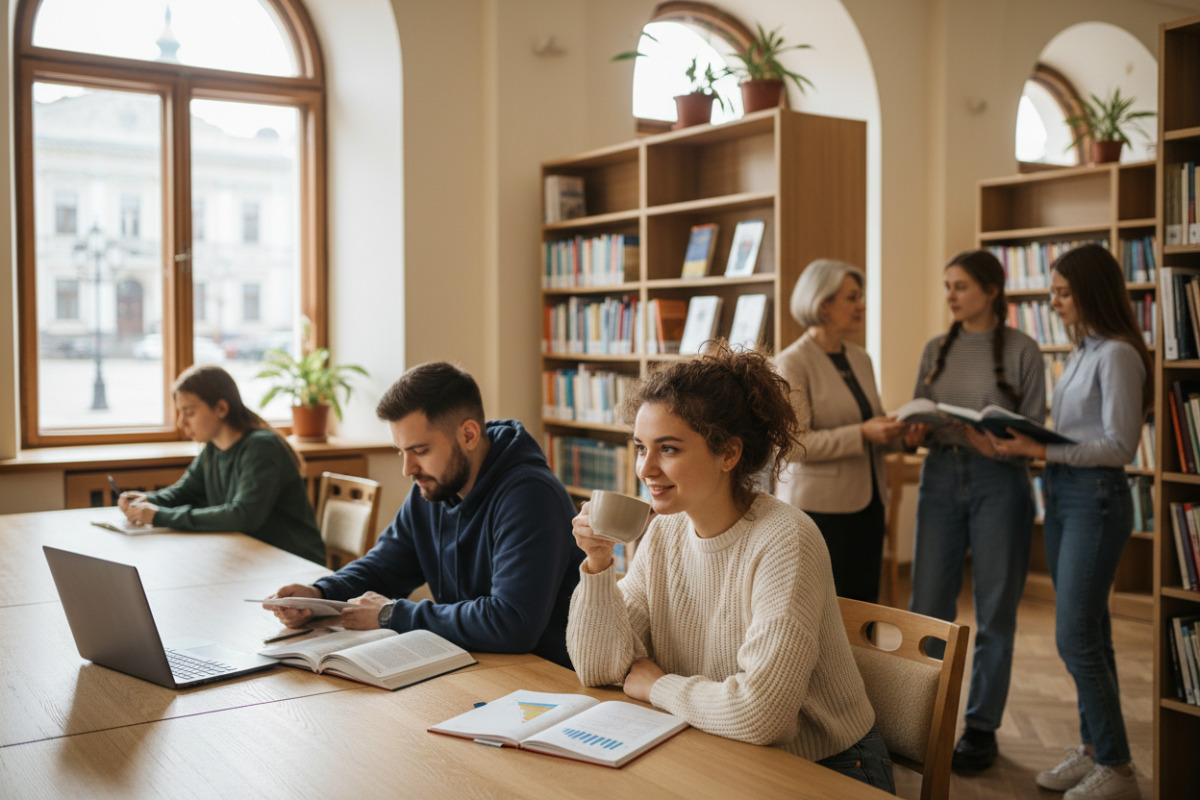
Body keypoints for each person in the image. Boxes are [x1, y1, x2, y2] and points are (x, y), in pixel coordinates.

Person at [567, 344, 893, 791]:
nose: (646, 467)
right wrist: (598, 564)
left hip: (827, 767)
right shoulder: (664, 532)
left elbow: (763, 716)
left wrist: (658, 686)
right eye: (641, 447)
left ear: (729, 454)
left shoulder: (785, 540)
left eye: (669, 448)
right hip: (715, 745)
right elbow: (599, 668)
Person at [266, 361, 582, 668]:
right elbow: (383, 568)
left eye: (420, 451)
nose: (407, 469)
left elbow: (512, 623)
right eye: (401, 452)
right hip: (474, 663)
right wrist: (320, 595)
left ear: (469, 435)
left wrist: (391, 615)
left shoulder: (530, 496)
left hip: (543, 679)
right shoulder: (434, 488)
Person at [988, 244, 1148, 800]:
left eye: (1061, 291)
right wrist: (1036, 446)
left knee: (1074, 636)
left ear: (1090, 290)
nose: (1052, 301)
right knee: (1091, 632)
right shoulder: (1084, 349)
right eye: (1052, 292)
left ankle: (1119, 767)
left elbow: (1119, 445)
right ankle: (1095, 748)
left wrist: (1041, 450)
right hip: (1063, 496)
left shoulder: (1119, 355)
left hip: (1095, 500)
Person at [907, 249, 1045, 774]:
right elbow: (919, 411)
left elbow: (1034, 432)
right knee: (928, 607)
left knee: (995, 612)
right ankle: (920, 718)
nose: (950, 296)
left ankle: (980, 729)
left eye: (960, 286)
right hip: (940, 474)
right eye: (947, 286)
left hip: (1000, 481)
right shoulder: (934, 349)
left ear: (991, 290)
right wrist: (917, 430)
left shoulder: (1023, 349)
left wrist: (998, 447)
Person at [775, 259, 906, 602]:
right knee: (824, 607)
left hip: (870, 501)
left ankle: (859, 661)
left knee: (863, 606)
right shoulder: (792, 363)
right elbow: (793, 446)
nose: (861, 305)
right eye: (852, 297)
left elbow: (871, 423)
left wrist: (901, 434)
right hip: (820, 510)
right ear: (823, 304)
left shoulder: (861, 358)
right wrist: (862, 434)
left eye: (860, 296)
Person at [118, 364, 326, 565]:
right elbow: (183, 493)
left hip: (293, 562)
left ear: (221, 408)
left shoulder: (262, 447)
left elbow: (243, 516)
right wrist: (146, 500)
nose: (182, 423)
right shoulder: (212, 449)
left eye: (189, 412)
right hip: (251, 557)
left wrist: (160, 516)